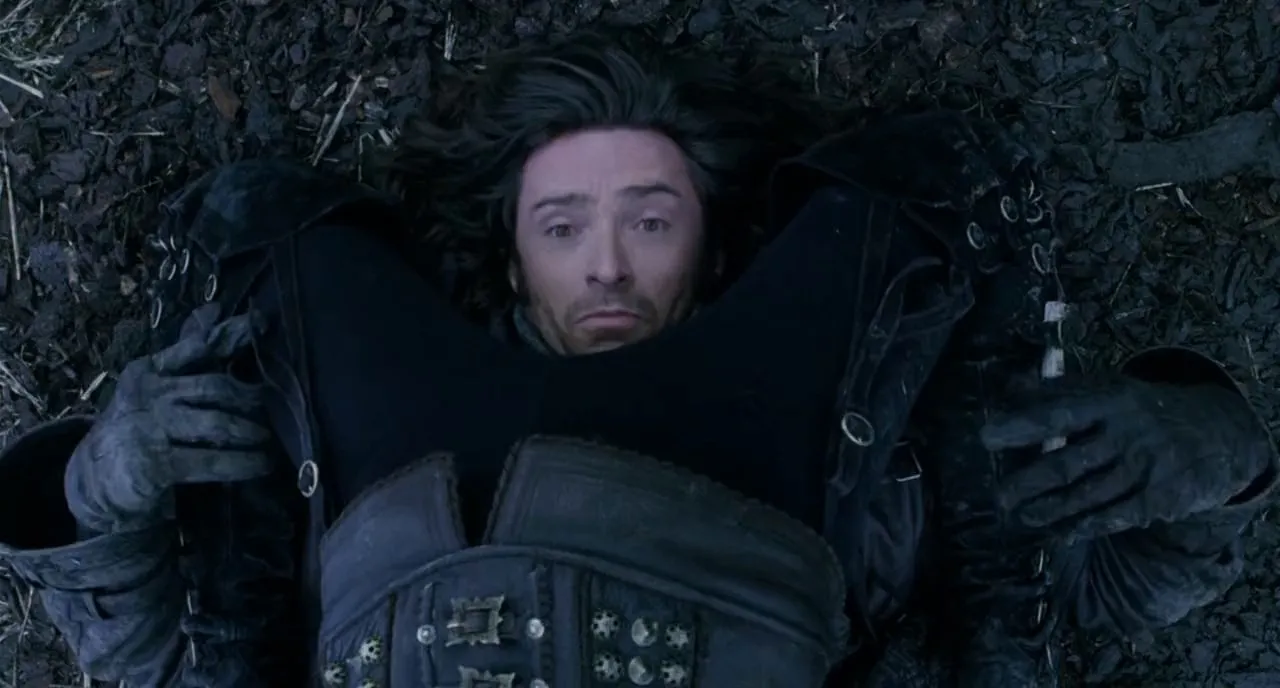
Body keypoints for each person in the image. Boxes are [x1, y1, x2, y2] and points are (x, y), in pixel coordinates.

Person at [0, 32, 1275, 688]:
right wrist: (101, 482)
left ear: (713, 250)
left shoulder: (876, 461)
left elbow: (1083, 598)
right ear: (509, 260)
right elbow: (182, 649)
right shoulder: (315, 422)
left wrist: (1212, 449)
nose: (605, 263)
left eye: (649, 220)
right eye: (562, 227)